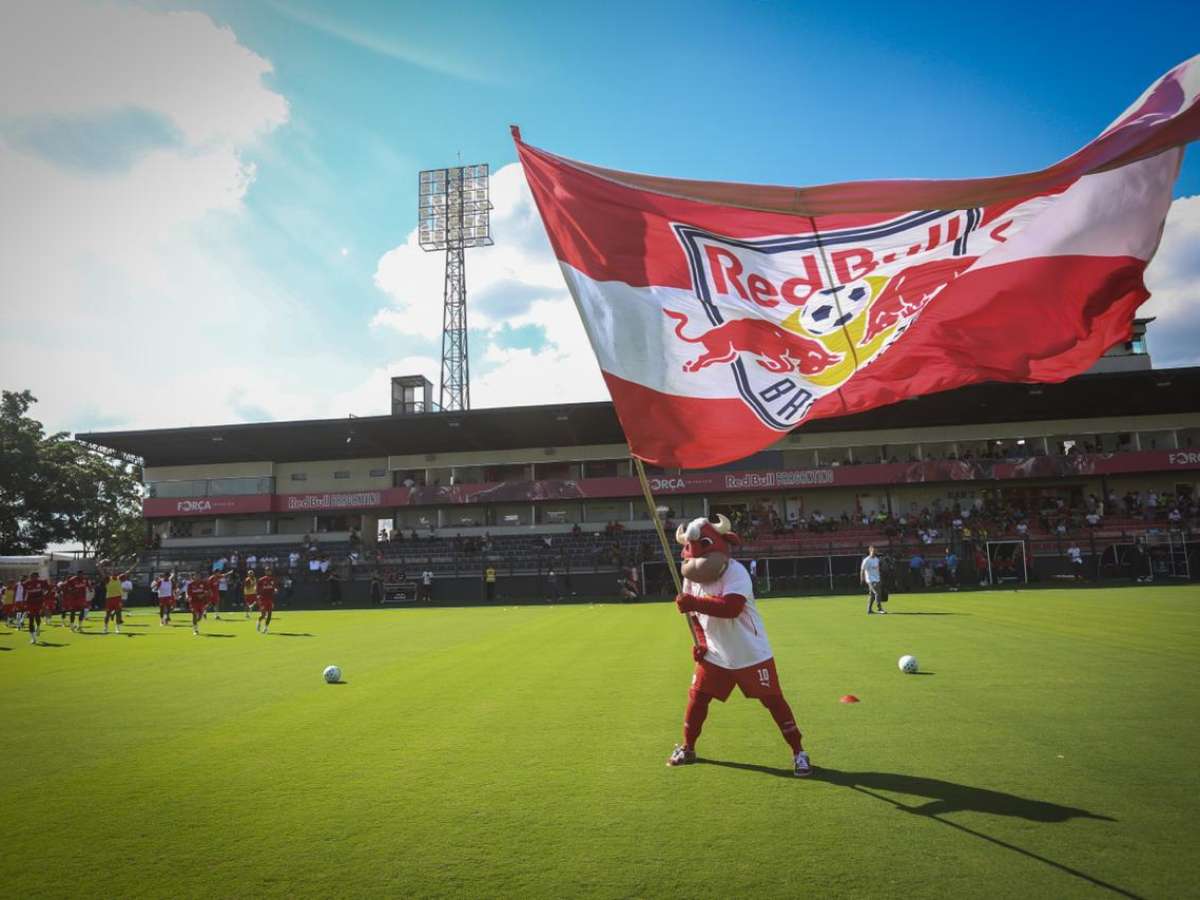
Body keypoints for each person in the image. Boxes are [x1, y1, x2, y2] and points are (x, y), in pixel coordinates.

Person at [668, 515, 811, 777]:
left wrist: (693, 603)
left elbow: (731, 608)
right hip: (715, 654)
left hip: (750, 653)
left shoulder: (736, 572)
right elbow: (694, 618)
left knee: (773, 701)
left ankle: (798, 752)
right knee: (697, 698)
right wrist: (701, 643)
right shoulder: (690, 578)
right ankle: (688, 748)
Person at [22, 571, 49, 643]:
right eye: (32, 576)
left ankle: (38, 627)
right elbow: (24, 593)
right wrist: (24, 602)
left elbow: (48, 589)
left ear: (37, 577)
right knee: (31, 619)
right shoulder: (26, 583)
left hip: (38, 603)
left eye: (35, 576)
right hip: (30, 603)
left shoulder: (42, 582)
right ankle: (33, 638)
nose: (33, 578)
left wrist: (43, 595)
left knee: (37, 617)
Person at [102, 569, 127, 634]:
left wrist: (135, 565)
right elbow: (102, 573)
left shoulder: (119, 579)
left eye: (116, 573)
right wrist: (99, 566)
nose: (115, 574)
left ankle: (117, 628)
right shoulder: (108, 579)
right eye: (113, 573)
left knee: (118, 613)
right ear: (112, 574)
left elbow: (126, 573)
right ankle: (105, 628)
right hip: (109, 599)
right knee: (107, 614)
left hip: (118, 598)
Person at [861, 546, 885, 614]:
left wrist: (879, 578)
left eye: (875, 551)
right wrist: (862, 578)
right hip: (870, 580)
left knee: (872, 595)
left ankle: (869, 610)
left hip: (877, 579)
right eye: (873, 551)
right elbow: (862, 570)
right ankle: (879, 608)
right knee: (877, 592)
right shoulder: (866, 560)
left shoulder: (877, 559)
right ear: (870, 551)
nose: (874, 552)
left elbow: (877, 569)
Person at [256, 568, 276, 633]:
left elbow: (273, 588)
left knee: (270, 614)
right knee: (263, 615)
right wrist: (258, 596)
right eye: (267, 571)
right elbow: (257, 589)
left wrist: (275, 590)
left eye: (269, 571)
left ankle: (266, 627)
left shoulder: (272, 579)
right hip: (263, 599)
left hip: (270, 599)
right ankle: (259, 622)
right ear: (265, 572)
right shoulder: (261, 580)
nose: (269, 572)